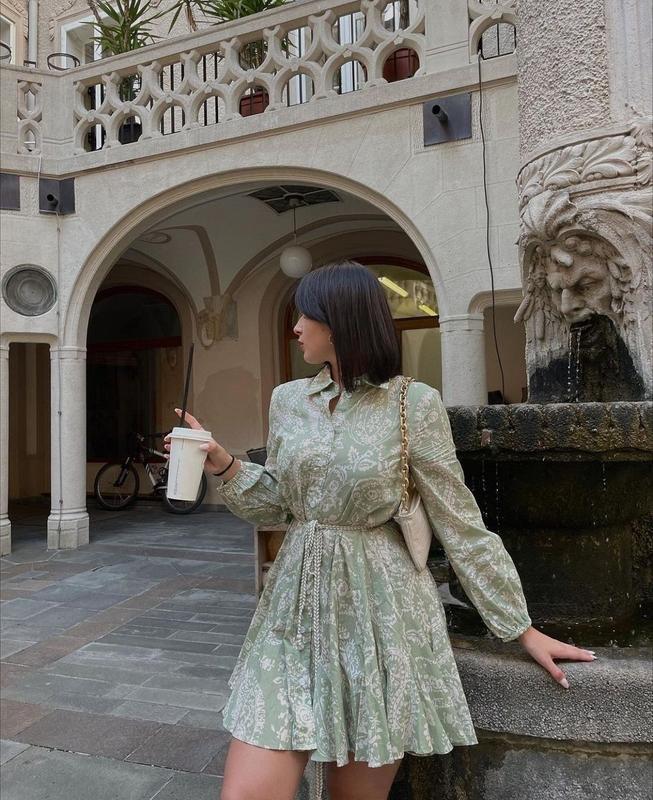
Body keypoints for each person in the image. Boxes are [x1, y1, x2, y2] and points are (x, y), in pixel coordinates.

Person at [164, 261, 596, 800]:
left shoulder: (413, 404)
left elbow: (460, 521)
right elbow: (281, 503)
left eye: (305, 314)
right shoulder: (288, 400)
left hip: (382, 616)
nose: (295, 327)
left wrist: (520, 627)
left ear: (340, 321)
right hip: (294, 607)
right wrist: (224, 463)